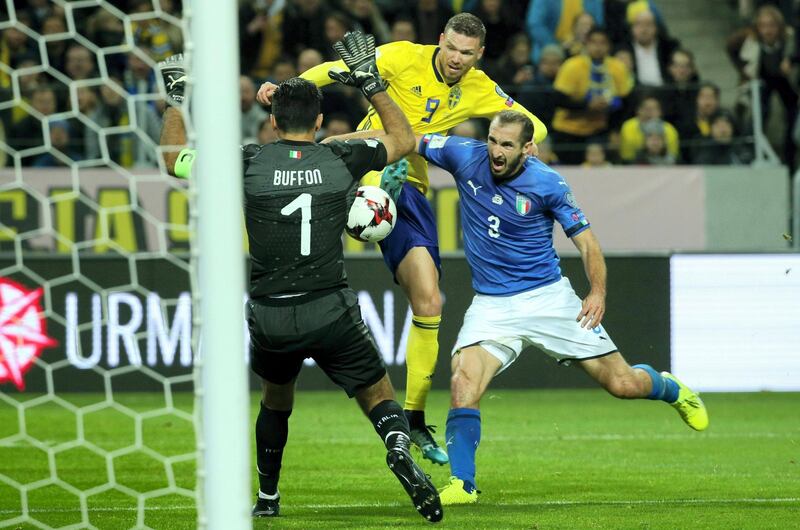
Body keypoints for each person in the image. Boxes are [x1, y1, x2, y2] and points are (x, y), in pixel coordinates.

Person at [157, 37, 443, 523]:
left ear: (272, 122)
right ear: (317, 122)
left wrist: (176, 101)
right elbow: (404, 140)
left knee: (275, 400)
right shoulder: (340, 159)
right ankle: (397, 446)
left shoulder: (245, 161)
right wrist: (370, 82)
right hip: (330, 308)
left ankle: (268, 497)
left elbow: (173, 158)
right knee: (378, 395)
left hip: (271, 314)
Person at [257, 16, 548, 466]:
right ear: (440, 41)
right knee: (321, 173)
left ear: (479, 56)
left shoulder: (481, 87)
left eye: (466, 54)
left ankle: (412, 418)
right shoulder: (400, 56)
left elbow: (535, 125)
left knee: (430, 301)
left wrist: (524, 141)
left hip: (408, 183)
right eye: (452, 48)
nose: (456, 59)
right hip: (360, 161)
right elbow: (336, 70)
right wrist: (287, 85)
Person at [413, 110, 709, 505]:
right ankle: (462, 484)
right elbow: (403, 137)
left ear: (528, 148)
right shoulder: (464, 156)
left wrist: (597, 292)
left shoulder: (548, 183)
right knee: (463, 381)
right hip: (492, 305)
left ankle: (670, 388)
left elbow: (588, 243)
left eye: (506, 145)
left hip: (548, 299)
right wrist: (344, 145)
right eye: (492, 140)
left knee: (623, 385)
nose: (496, 152)